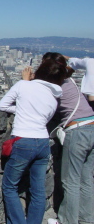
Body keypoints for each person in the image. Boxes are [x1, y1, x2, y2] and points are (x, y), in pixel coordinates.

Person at [0, 59, 66, 224]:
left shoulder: (23, 85)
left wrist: (21, 106)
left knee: (9, 187)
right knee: (38, 191)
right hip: (43, 143)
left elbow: (2, 105)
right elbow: (43, 117)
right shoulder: (54, 96)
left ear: (39, 71)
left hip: (22, 141)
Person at [37, 53, 94, 224]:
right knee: (86, 180)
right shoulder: (68, 81)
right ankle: (86, 219)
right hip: (92, 126)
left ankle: (67, 221)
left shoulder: (55, 85)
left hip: (77, 131)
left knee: (71, 181)